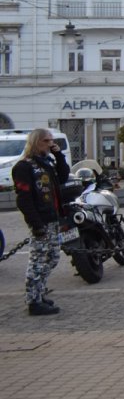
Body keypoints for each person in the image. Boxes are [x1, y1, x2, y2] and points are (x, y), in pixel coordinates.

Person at [12, 129, 70, 316]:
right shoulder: (24, 166)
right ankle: (33, 301)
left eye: (51, 140)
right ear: (36, 142)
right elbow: (23, 199)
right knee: (37, 261)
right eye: (46, 141)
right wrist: (36, 224)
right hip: (41, 220)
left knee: (52, 257)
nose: (50, 144)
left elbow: (63, 177)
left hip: (52, 217)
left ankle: (39, 292)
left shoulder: (46, 163)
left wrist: (59, 155)